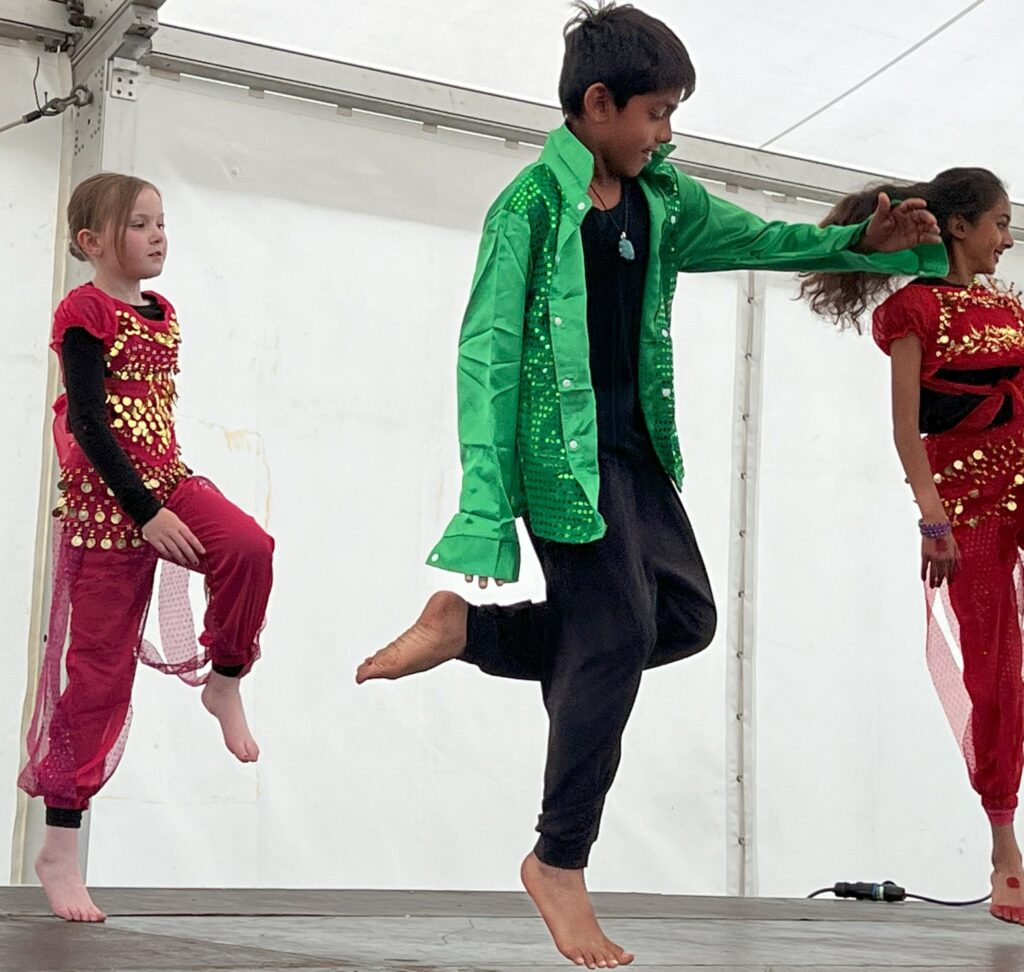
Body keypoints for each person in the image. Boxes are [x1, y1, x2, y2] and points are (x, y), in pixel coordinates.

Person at [357, 3, 945, 966]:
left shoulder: (661, 199)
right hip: (561, 461)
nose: (666, 132)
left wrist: (858, 248)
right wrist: (484, 501)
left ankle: (470, 630)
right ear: (598, 103)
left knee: (683, 618)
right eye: (657, 113)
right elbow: (488, 353)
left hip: (635, 455)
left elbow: (760, 238)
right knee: (617, 630)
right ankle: (559, 859)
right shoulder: (531, 210)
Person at [18, 172, 274, 923]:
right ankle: (59, 847)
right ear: (92, 241)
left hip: (166, 478)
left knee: (249, 548)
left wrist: (166, 502)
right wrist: (143, 515)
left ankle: (224, 676)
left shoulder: (162, 313)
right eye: (138, 224)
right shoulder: (85, 312)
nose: (158, 235)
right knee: (95, 676)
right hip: (108, 506)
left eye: (161, 222)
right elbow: (92, 424)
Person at [802, 168, 1024, 924]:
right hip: (970, 503)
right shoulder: (914, 310)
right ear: (958, 227)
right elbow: (906, 427)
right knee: (994, 668)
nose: (1006, 236)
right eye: (997, 221)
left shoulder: (1009, 306)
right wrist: (933, 518)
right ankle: (1004, 842)